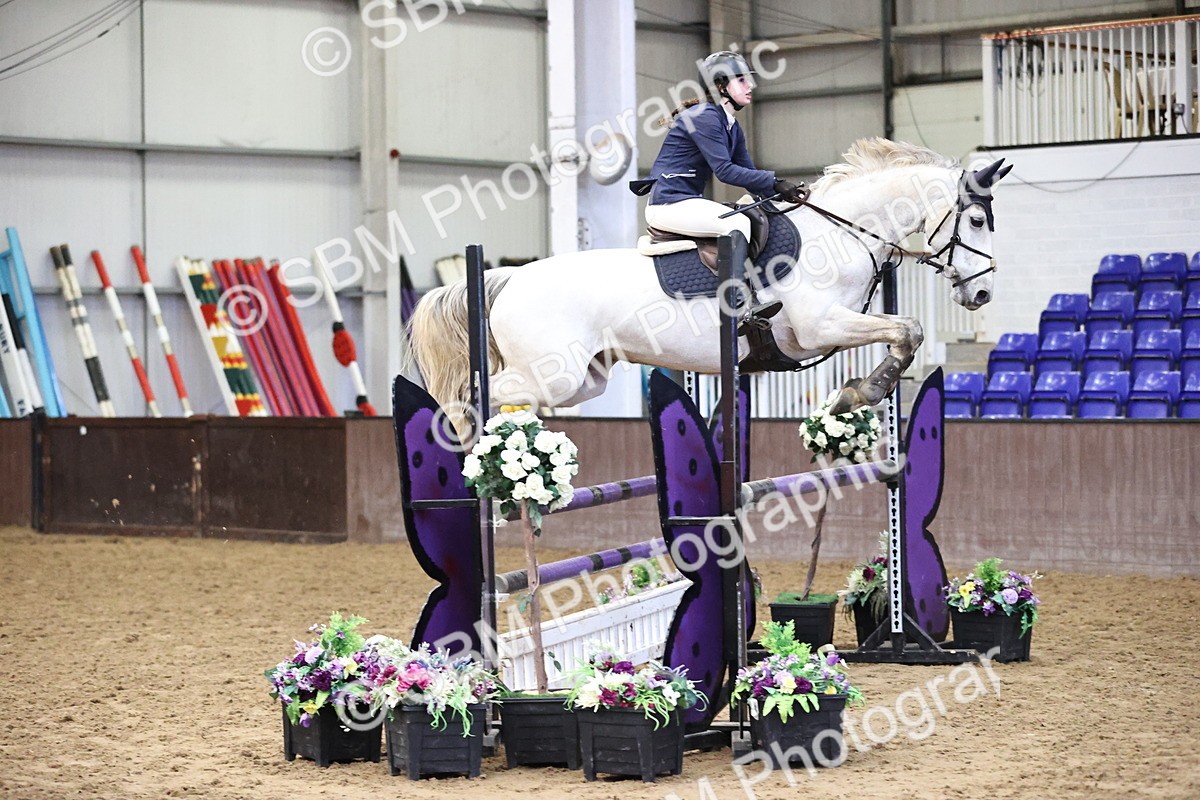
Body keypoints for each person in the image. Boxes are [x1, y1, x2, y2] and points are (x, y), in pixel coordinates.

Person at [641, 51, 806, 329]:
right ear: (720, 86)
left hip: (686, 202)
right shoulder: (704, 116)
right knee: (738, 222)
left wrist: (779, 197)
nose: (750, 86)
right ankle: (742, 303)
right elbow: (725, 171)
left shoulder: (731, 125)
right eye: (741, 80)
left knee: (754, 213)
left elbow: (749, 176)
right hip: (667, 205)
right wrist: (775, 181)